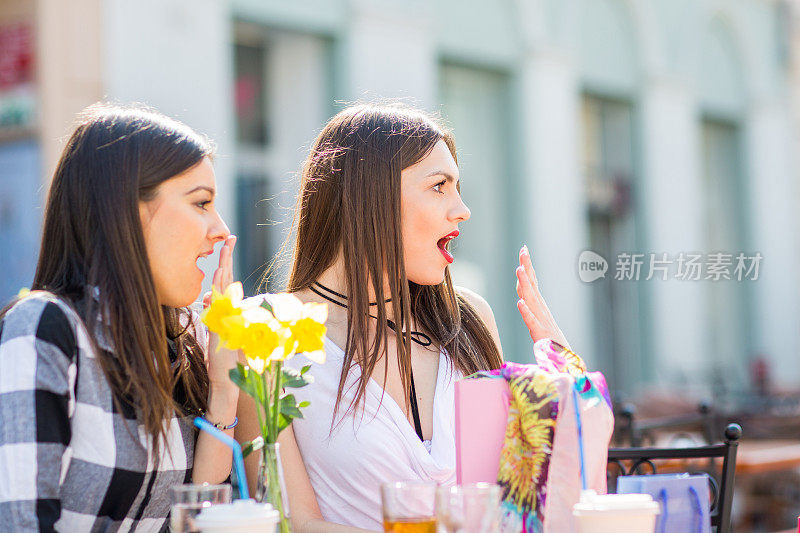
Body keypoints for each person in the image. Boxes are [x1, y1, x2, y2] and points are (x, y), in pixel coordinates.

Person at [238, 103, 570, 532]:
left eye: (457, 186)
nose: (462, 209)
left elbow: (514, 500)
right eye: (439, 186)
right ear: (367, 196)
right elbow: (290, 522)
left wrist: (560, 376)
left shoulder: (469, 320)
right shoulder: (267, 331)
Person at [0, 103, 240, 531]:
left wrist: (223, 387)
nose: (221, 229)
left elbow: (199, 521)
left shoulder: (184, 345)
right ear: (127, 212)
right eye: (201, 203)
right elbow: (22, 522)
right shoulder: (47, 329)